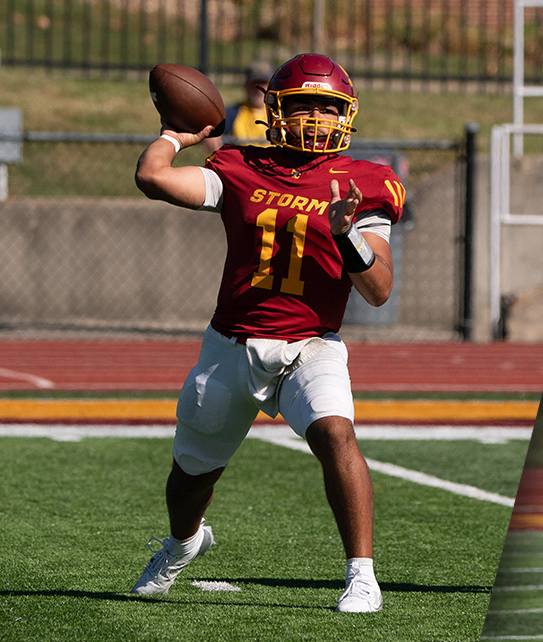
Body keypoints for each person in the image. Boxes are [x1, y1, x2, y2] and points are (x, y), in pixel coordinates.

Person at [131, 53, 405, 613]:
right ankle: (184, 543)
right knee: (189, 478)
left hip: (312, 345)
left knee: (336, 433)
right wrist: (173, 133)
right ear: (277, 111)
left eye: (327, 110)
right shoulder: (241, 166)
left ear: (346, 116)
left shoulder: (365, 182)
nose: (315, 121)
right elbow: (152, 177)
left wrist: (345, 234)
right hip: (231, 344)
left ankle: (361, 575)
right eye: (304, 107)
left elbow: (378, 289)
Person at [203, 60, 274, 154]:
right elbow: (209, 125)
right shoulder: (233, 113)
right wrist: (211, 134)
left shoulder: (279, 114)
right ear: (246, 85)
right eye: (255, 84)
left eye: (263, 83)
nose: (258, 89)